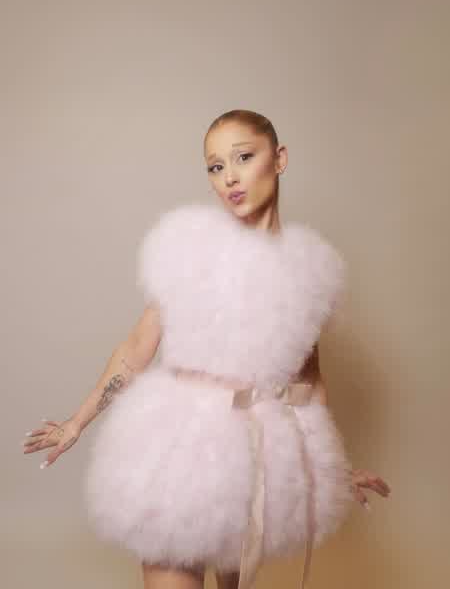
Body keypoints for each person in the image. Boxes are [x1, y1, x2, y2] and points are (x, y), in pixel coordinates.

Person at [22, 109, 391, 589]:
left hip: (256, 464)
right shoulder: (190, 251)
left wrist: (330, 470)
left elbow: (307, 382)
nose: (229, 177)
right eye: (216, 167)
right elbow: (136, 350)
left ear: (279, 159)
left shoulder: (309, 274)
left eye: (243, 157)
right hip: (178, 451)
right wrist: (77, 421)